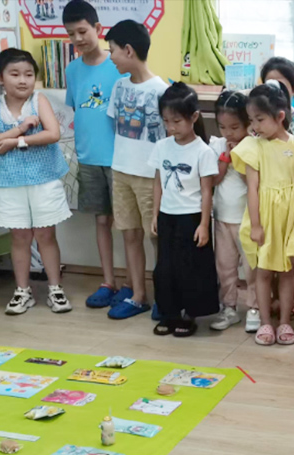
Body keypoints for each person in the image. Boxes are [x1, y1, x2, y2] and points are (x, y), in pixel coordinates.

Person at [0, 49, 71, 315]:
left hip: (44, 179)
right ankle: (22, 291)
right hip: (8, 182)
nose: (23, 80)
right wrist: (19, 129)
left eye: (29, 75)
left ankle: (55, 288)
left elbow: (53, 134)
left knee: (45, 235)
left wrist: (16, 142)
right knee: (19, 237)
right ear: (0, 78)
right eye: (15, 74)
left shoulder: (38, 100)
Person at [231, 81, 294, 346]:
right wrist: (256, 224)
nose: (255, 126)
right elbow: (252, 188)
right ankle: (265, 322)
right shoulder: (254, 146)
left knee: (287, 271)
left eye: (260, 119)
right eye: (251, 120)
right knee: (262, 272)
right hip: (264, 218)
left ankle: (284, 321)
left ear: (280, 116)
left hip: (288, 220)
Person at [62, 0, 125, 309]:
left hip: (120, 160)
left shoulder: (119, 64)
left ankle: (133, 284)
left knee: (128, 225)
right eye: (71, 34)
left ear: (98, 28)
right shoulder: (72, 70)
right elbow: (78, 109)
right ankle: (108, 281)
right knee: (101, 221)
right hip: (88, 159)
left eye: (82, 31)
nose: (77, 39)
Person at [105, 20, 168, 319]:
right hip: (121, 171)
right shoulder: (119, 86)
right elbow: (115, 125)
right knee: (129, 234)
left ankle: (164, 297)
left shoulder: (162, 91)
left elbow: (167, 140)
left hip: (149, 177)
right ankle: (138, 295)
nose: (111, 57)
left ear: (128, 50)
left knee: (157, 238)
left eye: (113, 51)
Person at [149, 83, 220, 337]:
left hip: (191, 217)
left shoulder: (203, 151)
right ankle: (169, 313)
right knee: (165, 269)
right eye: (166, 121)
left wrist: (204, 224)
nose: (171, 127)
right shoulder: (162, 146)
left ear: (194, 117)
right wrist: (155, 214)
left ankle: (190, 315)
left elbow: (207, 191)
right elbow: (158, 182)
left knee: (190, 269)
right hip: (167, 216)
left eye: (177, 121)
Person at [260, 56, 294, 322]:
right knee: (267, 252)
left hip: (292, 198)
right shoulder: (258, 124)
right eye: (269, 83)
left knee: (293, 254)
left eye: (281, 84)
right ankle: (270, 299)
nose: (275, 89)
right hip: (267, 198)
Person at [209, 90, 258, 332]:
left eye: (235, 127)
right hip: (222, 217)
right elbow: (213, 181)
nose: (228, 133)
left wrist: (239, 158)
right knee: (225, 266)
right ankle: (228, 307)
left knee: (252, 267)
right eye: (222, 127)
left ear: (248, 124)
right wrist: (225, 158)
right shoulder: (216, 145)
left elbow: (253, 182)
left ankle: (255, 307)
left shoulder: (254, 145)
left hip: (247, 219)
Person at [260, 56, 294, 140]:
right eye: (270, 85)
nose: (275, 91)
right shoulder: (255, 119)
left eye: (281, 85)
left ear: (293, 89)